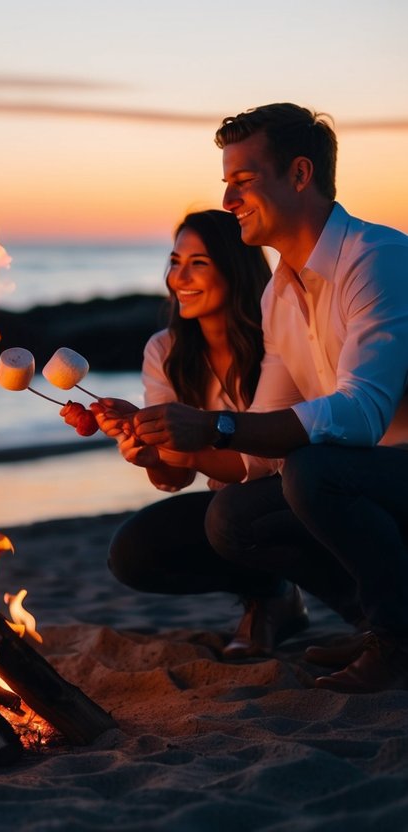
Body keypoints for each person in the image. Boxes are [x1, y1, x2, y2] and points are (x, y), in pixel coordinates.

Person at [130, 103, 408, 693]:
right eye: (226, 184)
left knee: (314, 471)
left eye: (244, 182)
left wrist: (212, 427)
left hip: (394, 472)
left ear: (300, 175)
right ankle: (375, 625)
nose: (229, 201)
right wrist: (168, 441)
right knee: (232, 515)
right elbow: (257, 449)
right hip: (372, 485)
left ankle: (399, 642)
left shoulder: (378, 258)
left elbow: (360, 414)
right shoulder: (280, 293)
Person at [73, 210, 306, 659]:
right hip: (229, 506)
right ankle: (273, 595)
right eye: (175, 260)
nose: (179, 277)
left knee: (233, 511)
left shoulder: (279, 340)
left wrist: (186, 444)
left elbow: (266, 463)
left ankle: (286, 603)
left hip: (299, 495)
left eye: (198, 263)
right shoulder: (165, 350)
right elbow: (172, 481)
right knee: (131, 554)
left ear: (235, 267)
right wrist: (149, 450)